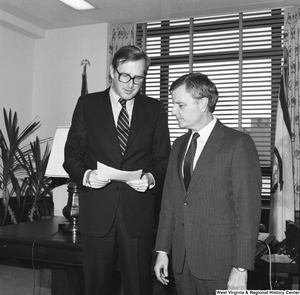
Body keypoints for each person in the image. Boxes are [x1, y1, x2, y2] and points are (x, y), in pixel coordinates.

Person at [63, 45, 170, 295]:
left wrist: (151, 178)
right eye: (125, 75)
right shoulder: (87, 104)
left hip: (138, 214)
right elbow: (72, 156)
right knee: (95, 287)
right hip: (97, 212)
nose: (131, 84)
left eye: (138, 77)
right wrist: (87, 175)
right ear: (112, 71)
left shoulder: (154, 109)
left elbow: (163, 159)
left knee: (139, 288)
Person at [154, 72, 262, 294]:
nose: (173, 111)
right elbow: (170, 202)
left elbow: (248, 212)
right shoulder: (178, 145)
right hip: (182, 264)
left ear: (203, 104)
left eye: (180, 105)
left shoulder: (238, 144)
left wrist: (240, 268)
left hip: (220, 265)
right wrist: (162, 250)